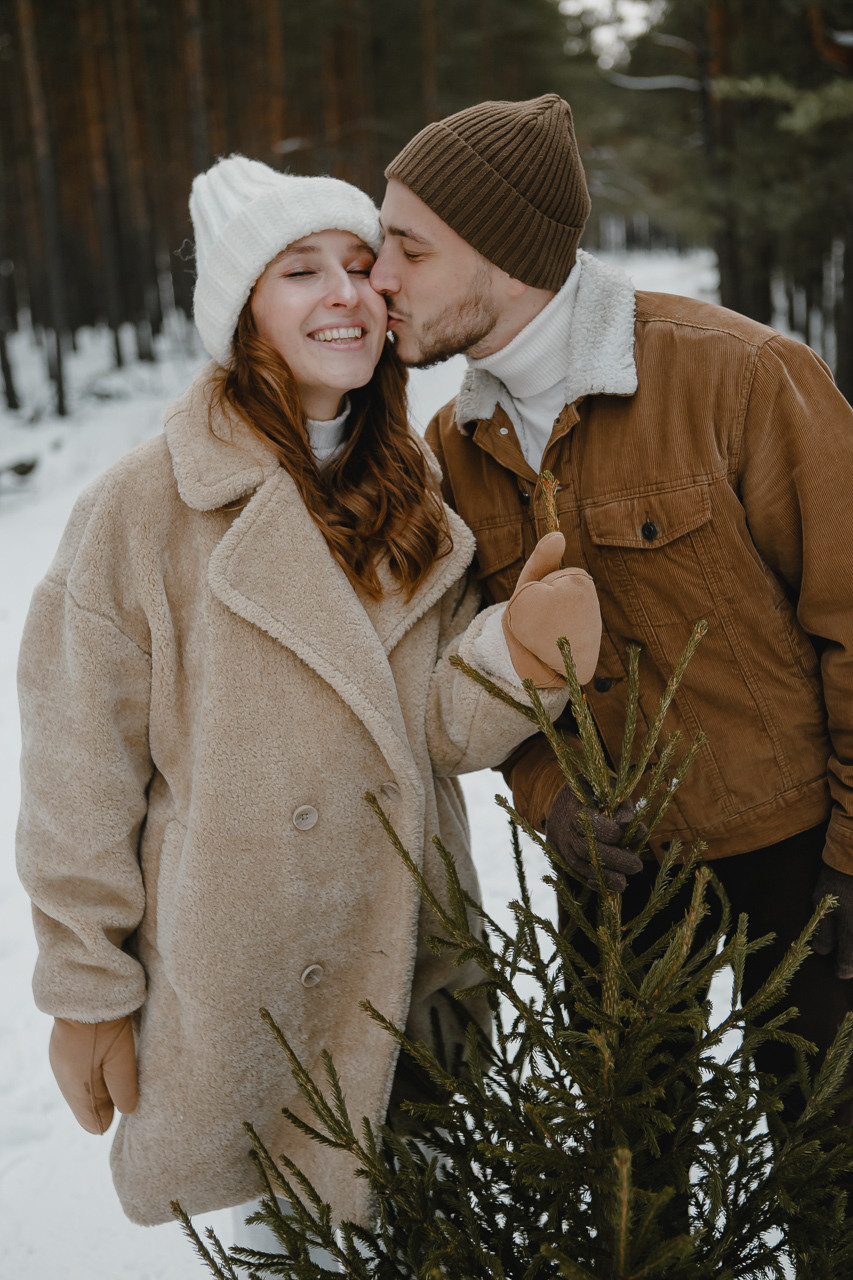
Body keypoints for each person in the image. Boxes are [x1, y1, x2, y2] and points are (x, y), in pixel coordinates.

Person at [15, 155, 603, 1237]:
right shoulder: (145, 507)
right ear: (244, 313)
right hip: (244, 978)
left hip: (408, 956)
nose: (345, 292)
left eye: (357, 264)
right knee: (283, 1241)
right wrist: (84, 989)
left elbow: (430, 730)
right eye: (300, 271)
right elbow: (76, 771)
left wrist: (512, 656)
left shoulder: (413, 490)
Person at [368, 94, 853, 1112]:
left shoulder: (746, 379)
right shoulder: (450, 451)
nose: (379, 279)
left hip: (802, 861)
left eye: (406, 250)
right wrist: (550, 796)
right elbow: (463, 664)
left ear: (500, 254)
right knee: (634, 1201)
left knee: (832, 1191)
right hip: (614, 877)